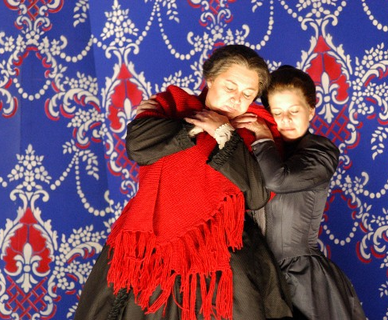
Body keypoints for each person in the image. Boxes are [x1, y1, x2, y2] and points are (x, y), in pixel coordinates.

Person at [74, 45, 292, 320]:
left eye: (247, 94)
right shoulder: (172, 105)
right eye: (230, 86)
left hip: (219, 254)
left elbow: (257, 195)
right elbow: (139, 146)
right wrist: (200, 125)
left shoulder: (257, 129)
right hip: (149, 245)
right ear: (210, 79)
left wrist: (225, 132)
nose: (237, 99)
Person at [234, 66, 366, 319]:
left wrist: (262, 137)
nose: (286, 120)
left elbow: (277, 180)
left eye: (294, 111)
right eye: (277, 112)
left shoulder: (321, 152)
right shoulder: (257, 150)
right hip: (257, 275)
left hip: (302, 278)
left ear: (311, 111)